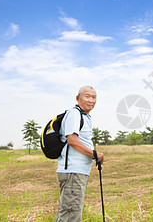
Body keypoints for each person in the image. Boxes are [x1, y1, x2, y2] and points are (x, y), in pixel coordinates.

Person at [55, 85, 104, 222]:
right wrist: (94, 154)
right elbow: (72, 140)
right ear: (78, 98)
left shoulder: (85, 116)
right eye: (87, 96)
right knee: (71, 215)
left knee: (66, 213)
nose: (91, 100)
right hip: (73, 172)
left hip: (77, 172)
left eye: (94, 97)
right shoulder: (74, 114)